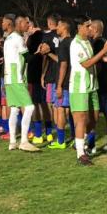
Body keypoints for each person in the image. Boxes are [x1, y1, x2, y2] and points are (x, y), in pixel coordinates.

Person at [68, 16, 107, 165]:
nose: (90, 28)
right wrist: (103, 52)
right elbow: (86, 63)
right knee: (81, 119)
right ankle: (81, 154)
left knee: (93, 119)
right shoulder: (75, 44)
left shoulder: (87, 42)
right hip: (79, 88)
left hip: (92, 87)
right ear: (80, 27)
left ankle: (80, 143)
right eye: (87, 26)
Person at [2, 15, 42, 152]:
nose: (28, 25)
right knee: (29, 107)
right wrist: (39, 53)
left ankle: (12, 141)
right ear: (18, 23)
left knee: (14, 109)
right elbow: (28, 58)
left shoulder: (8, 38)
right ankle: (24, 141)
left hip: (9, 77)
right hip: (16, 78)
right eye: (26, 23)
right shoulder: (18, 39)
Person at [90, 19, 107, 153]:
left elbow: (96, 63)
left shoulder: (96, 43)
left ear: (94, 29)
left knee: (93, 115)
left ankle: (91, 145)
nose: (88, 29)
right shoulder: (106, 42)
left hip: (99, 84)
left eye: (90, 27)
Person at [47, 17, 73, 150]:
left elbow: (63, 64)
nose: (57, 28)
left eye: (59, 26)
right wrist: (49, 54)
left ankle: (61, 141)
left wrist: (59, 85)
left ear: (64, 28)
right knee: (70, 110)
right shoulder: (73, 42)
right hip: (72, 81)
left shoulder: (63, 44)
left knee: (60, 110)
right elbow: (62, 59)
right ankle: (75, 137)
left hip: (63, 82)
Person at [25, 19, 48, 143]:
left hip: (33, 74)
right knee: (44, 103)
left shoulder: (32, 38)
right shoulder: (45, 36)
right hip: (43, 74)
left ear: (31, 26)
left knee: (34, 103)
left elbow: (26, 57)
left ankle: (37, 133)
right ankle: (48, 132)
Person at [41, 13, 60, 142]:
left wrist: (42, 74)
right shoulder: (63, 35)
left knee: (50, 106)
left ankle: (53, 132)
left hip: (51, 75)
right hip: (62, 75)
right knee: (60, 107)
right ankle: (61, 134)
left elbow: (44, 56)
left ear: (49, 23)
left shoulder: (47, 36)